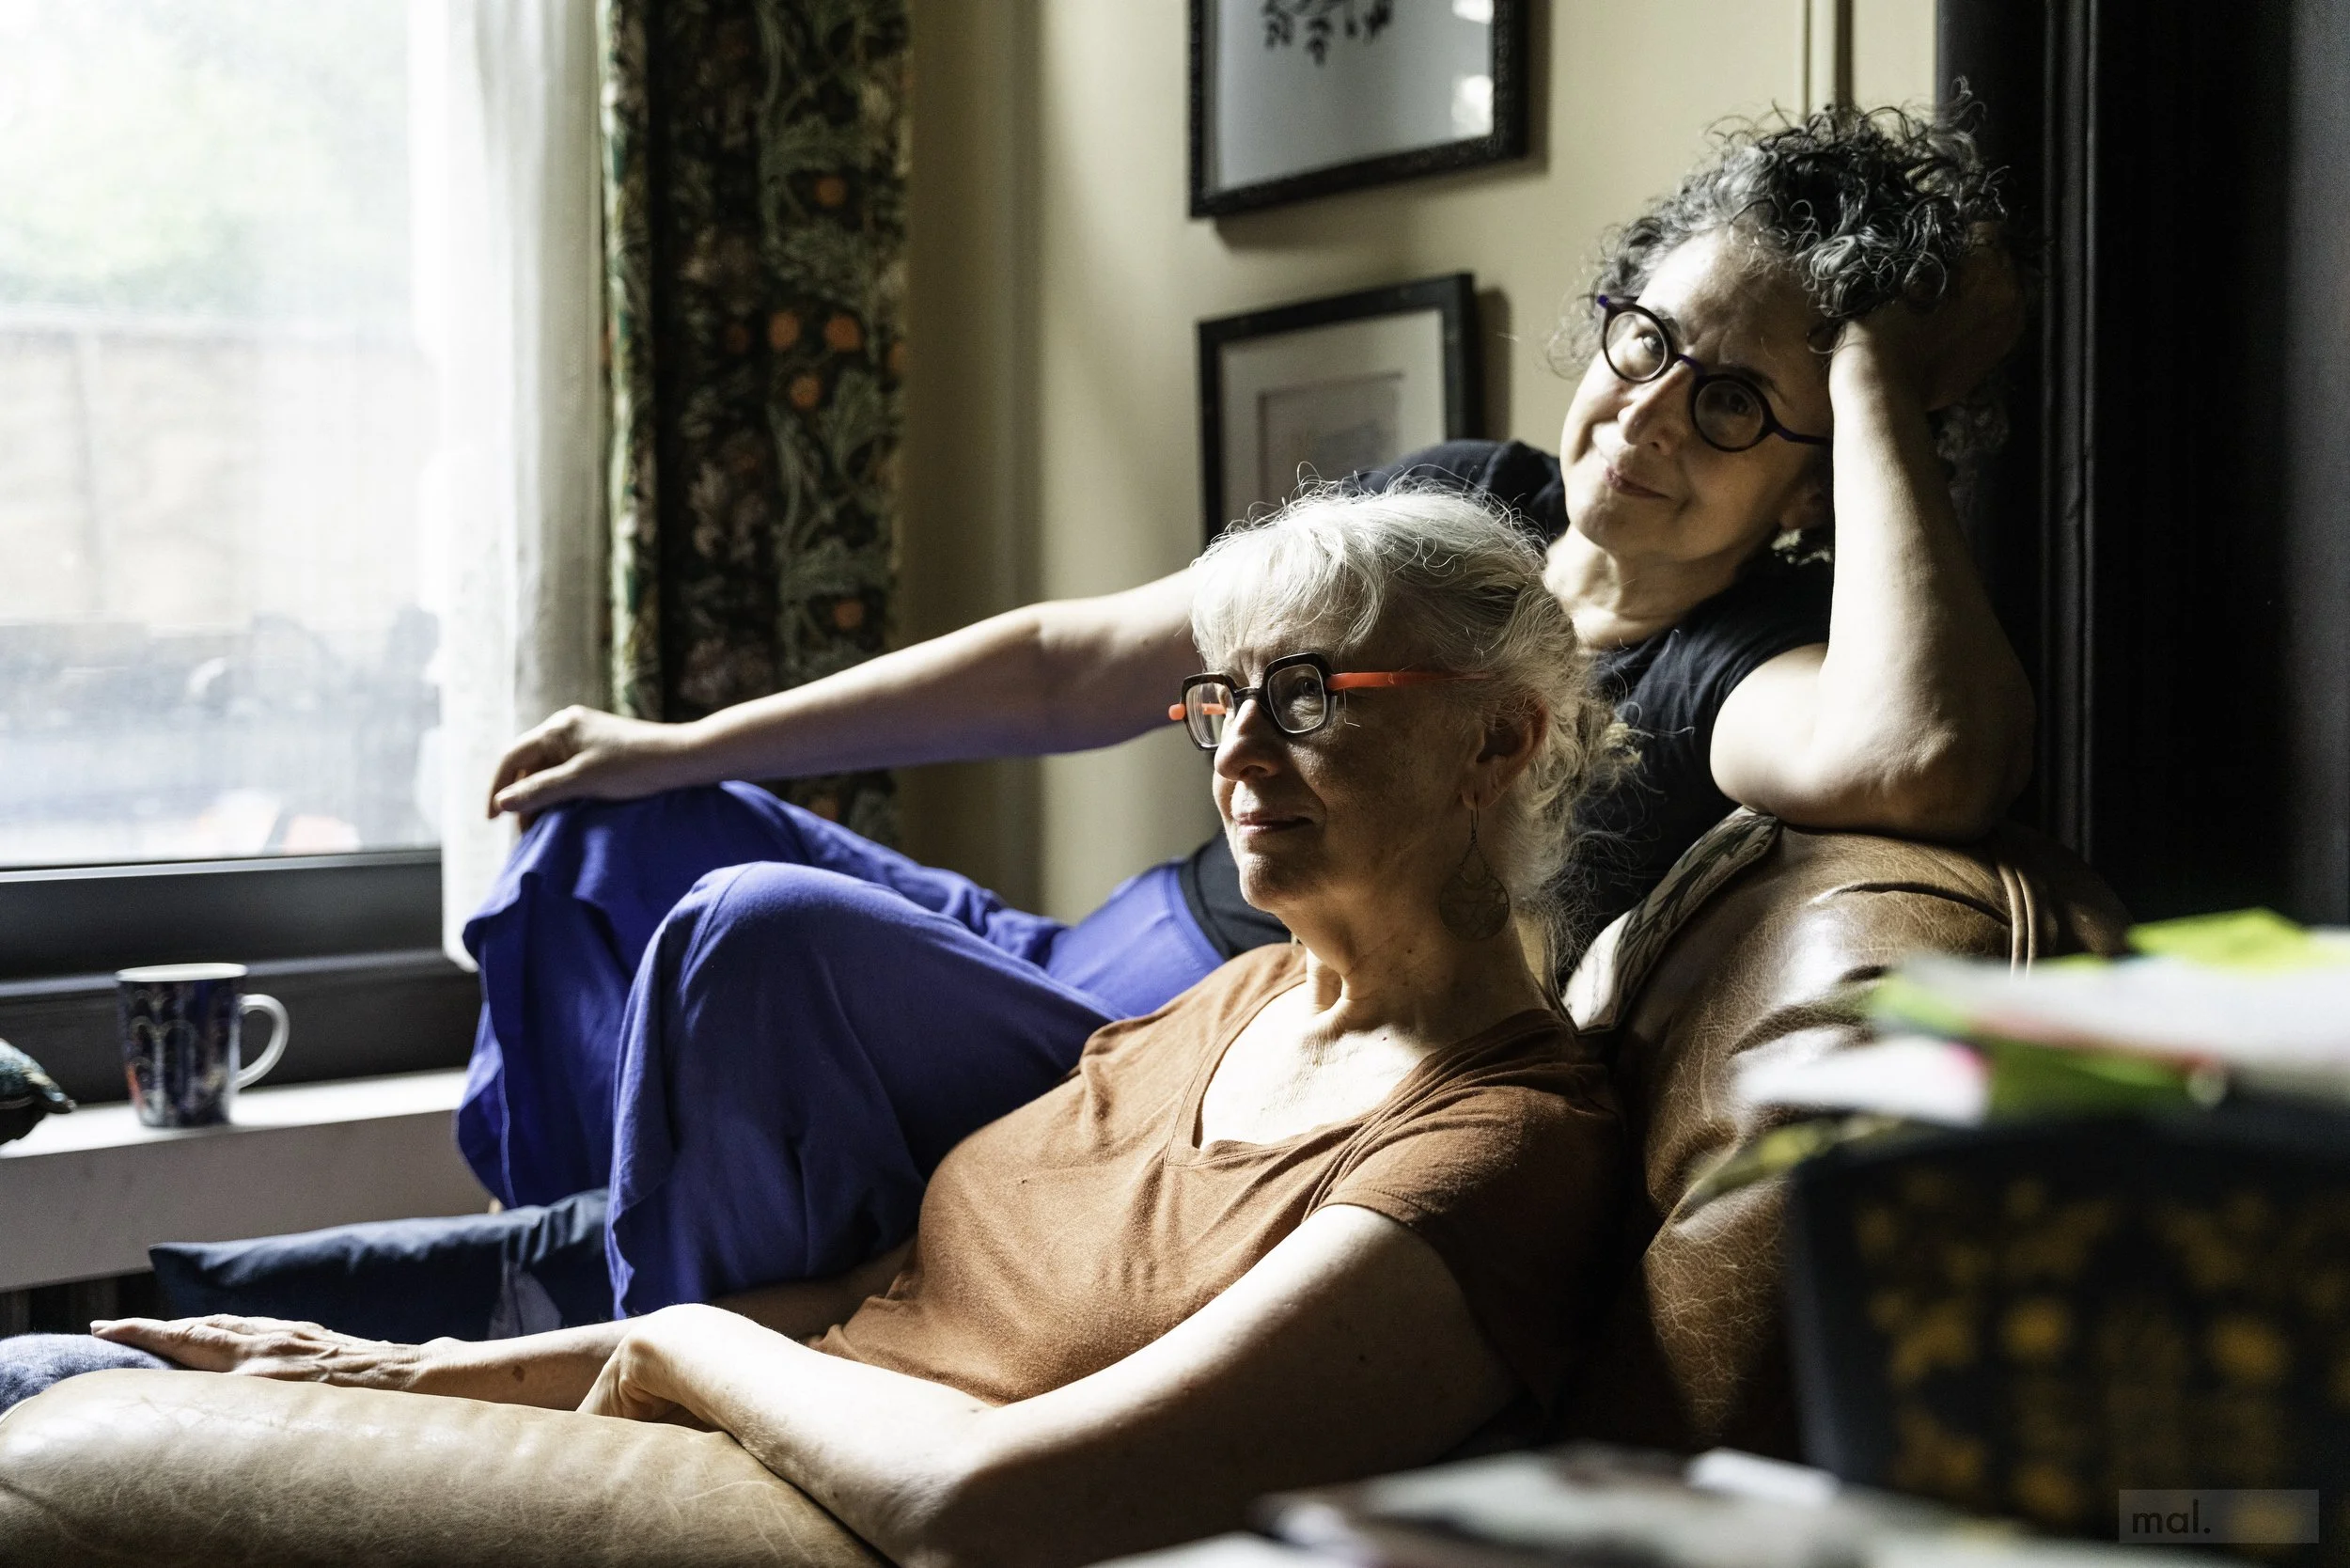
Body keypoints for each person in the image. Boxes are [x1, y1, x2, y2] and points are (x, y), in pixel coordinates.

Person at [446, 104, 2033, 1305]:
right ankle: (627, 1249)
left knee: (750, 931)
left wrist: (1877, 375)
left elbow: (1923, 754)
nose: (1651, 414)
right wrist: (679, 744)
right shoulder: (1462, 502)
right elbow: (1082, 663)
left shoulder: (1732, 671)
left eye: (1742, 400)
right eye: (1653, 341)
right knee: (604, 831)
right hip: (1060, 950)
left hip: (1172, 1056)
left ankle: (641, 1316)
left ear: (1817, 471)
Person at [91, 490, 1627, 1568]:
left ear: (1497, 738)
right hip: (754, 1426)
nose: (1234, 748)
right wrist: (394, 1378)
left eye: (1305, 695)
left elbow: (989, 1507)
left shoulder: (1497, 1147)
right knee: (87, 1373)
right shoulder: (1234, 1002)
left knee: (56, 1426)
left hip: (830, 1513)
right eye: (1218, 699)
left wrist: (675, 1345)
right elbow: (843, 1291)